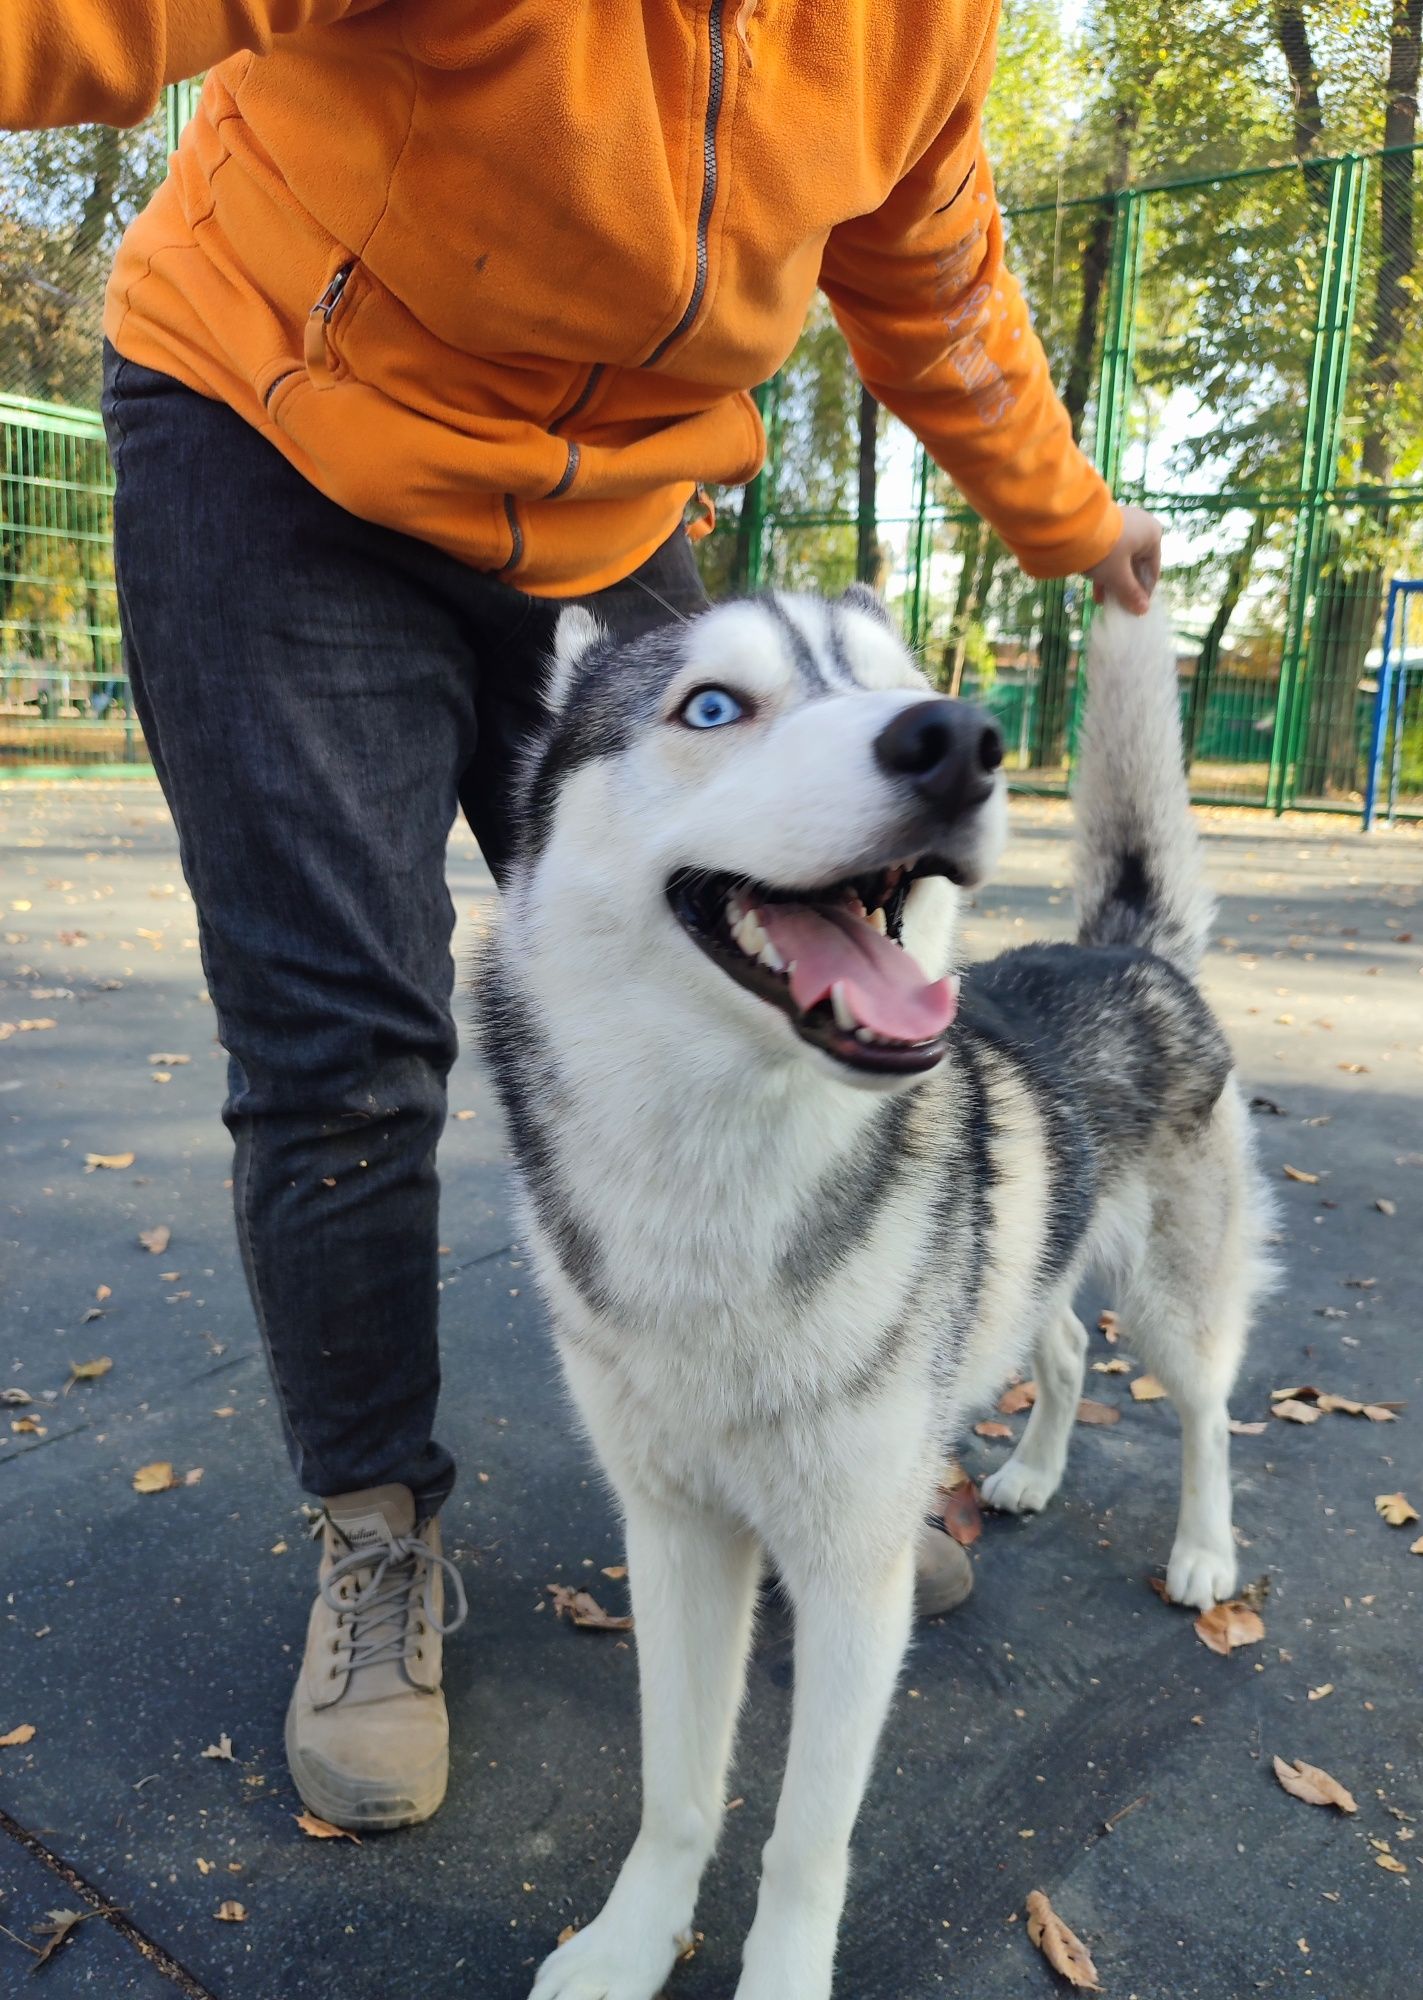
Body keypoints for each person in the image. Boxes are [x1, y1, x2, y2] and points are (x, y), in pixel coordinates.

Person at [1, 1, 1162, 1833]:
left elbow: (930, 273)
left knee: (759, 964)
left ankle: (824, 1469)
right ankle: (380, 1536)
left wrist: (1074, 517)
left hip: (609, 501)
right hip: (279, 435)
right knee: (349, 1038)